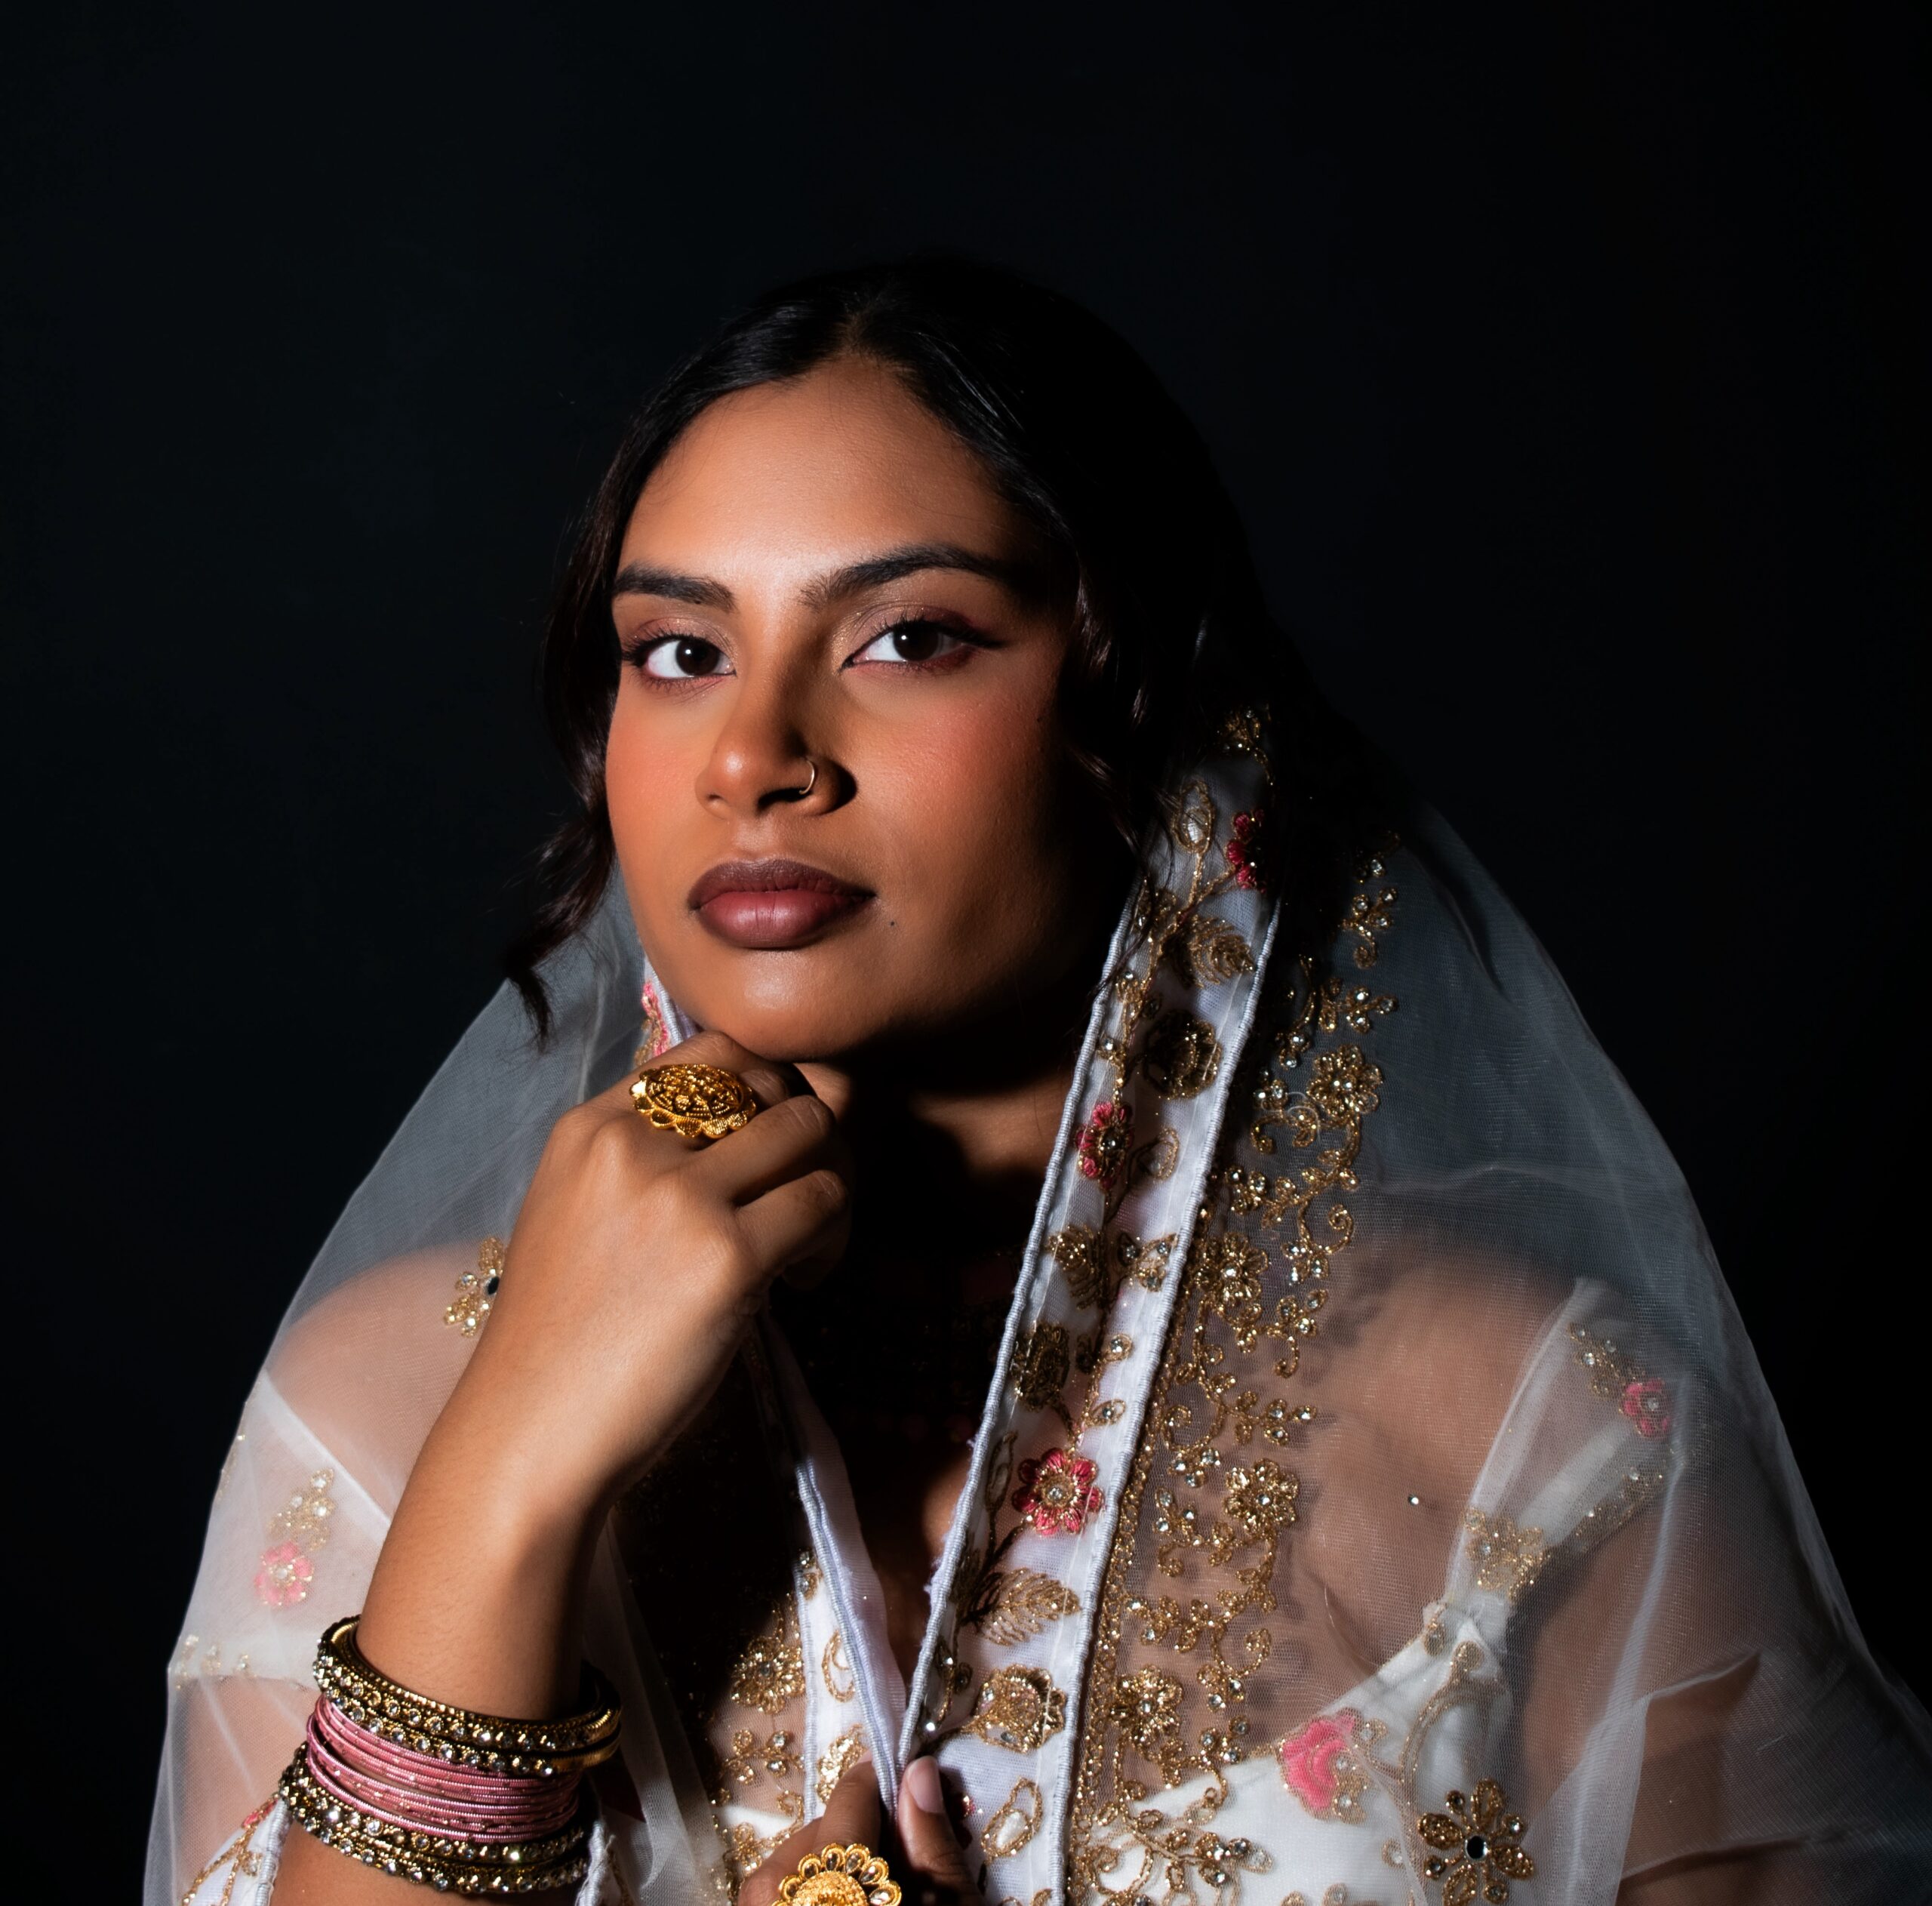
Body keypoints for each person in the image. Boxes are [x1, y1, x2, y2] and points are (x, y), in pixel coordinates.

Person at [149, 260, 1930, 1906]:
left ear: (1134, 706)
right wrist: (514, 1468)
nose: (754, 755)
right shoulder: (388, 1405)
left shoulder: (1530, 1439)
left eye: (906, 636)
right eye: (677, 651)